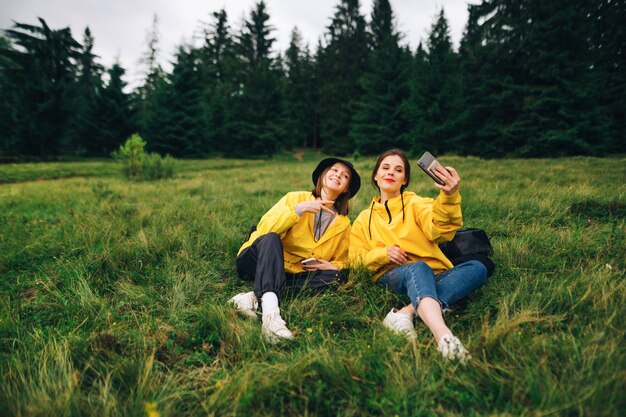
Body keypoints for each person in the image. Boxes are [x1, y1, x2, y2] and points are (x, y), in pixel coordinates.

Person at [349, 149, 487, 361]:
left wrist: (449, 197)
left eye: (398, 170)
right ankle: (444, 337)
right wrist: (383, 254)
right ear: (375, 175)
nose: (391, 173)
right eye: (385, 168)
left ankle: (405, 313)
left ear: (404, 180)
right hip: (392, 276)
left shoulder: (416, 203)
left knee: (478, 267)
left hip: (433, 273)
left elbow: (439, 228)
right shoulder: (363, 219)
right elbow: (355, 261)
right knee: (418, 267)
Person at [229, 158, 361, 342]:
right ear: (323, 175)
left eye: (345, 176)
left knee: (338, 277)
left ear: (346, 188)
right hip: (256, 259)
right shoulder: (295, 198)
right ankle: (271, 319)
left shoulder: (344, 224)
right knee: (272, 238)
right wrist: (299, 209)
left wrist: (330, 266)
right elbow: (265, 230)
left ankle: (252, 298)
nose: (338, 175)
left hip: (290, 272)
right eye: (334, 170)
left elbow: (343, 259)